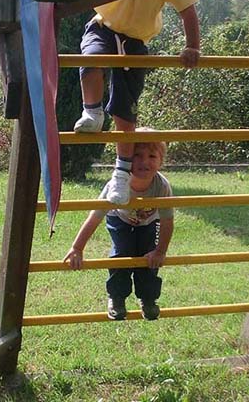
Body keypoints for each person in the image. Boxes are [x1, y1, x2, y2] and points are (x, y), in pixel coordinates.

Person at [74, 0, 200, 205]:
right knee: (91, 60)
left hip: (135, 42)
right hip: (103, 27)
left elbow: (188, 10)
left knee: (125, 112)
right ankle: (92, 111)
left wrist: (192, 47)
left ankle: (121, 176)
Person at [63, 132, 174, 321]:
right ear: (126, 159)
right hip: (120, 219)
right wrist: (77, 248)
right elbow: (95, 216)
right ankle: (117, 298)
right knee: (121, 255)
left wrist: (160, 251)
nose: (144, 161)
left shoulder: (162, 186)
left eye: (152, 156)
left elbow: (167, 222)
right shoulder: (117, 185)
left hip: (149, 222)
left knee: (149, 257)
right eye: (137, 155)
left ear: (161, 161)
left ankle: (148, 299)